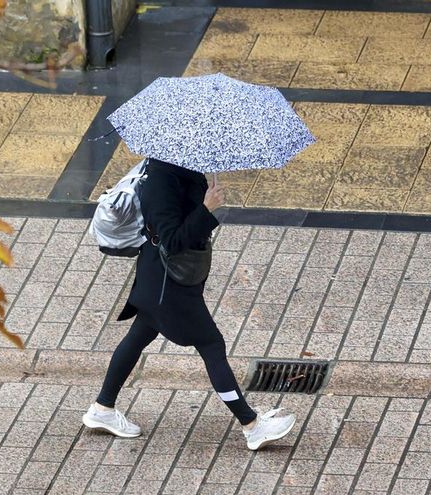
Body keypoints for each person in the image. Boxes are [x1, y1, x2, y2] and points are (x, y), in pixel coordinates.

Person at [82, 158, 295, 450]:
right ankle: (252, 426)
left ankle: (103, 409)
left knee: (138, 336)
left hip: (160, 279)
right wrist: (207, 208)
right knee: (211, 344)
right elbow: (172, 240)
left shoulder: (175, 169)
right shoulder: (161, 182)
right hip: (168, 288)